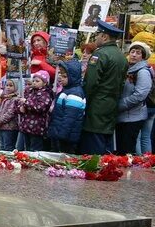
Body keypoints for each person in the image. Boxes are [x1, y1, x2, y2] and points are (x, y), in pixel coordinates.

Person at [80, 20, 128, 154]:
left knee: (92, 146)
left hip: (96, 105)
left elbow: (91, 82)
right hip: (111, 104)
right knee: (105, 144)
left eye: (98, 34)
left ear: (105, 37)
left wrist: (84, 100)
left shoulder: (100, 54)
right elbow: (122, 83)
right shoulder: (122, 57)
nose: (96, 37)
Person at [116, 41, 153, 155]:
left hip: (133, 118)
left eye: (138, 53)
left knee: (127, 150)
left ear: (143, 57)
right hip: (123, 117)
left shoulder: (143, 72)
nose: (133, 55)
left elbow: (140, 95)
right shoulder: (127, 69)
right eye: (132, 52)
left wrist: (120, 104)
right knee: (122, 149)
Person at [47, 61, 85, 154]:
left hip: (66, 137)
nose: (61, 78)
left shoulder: (75, 93)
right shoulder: (67, 90)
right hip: (58, 132)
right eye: (60, 74)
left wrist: (62, 135)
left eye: (65, 76)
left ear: (73, 77)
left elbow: (70, 117)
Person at [17, 70, 53, 151]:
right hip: (26, 126)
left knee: (35, 150)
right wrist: (20, 108)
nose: (34, 82)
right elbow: (19, 101)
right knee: (26, 149)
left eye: (37, 81)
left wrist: (26, 103)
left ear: (45, 83)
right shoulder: (29, 91)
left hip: (37, 128)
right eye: (33, 80)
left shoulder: (46, 94)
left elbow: (40, 107)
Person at [0, 78, 21, 150]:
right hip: (1, 126)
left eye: (11, 86)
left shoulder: (15, 99)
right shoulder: (3, 98)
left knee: (8, 147)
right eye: (7, 85)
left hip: (10, 127)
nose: (8, 87)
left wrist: (0, 121)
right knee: (1, 146)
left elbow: (10, 113)